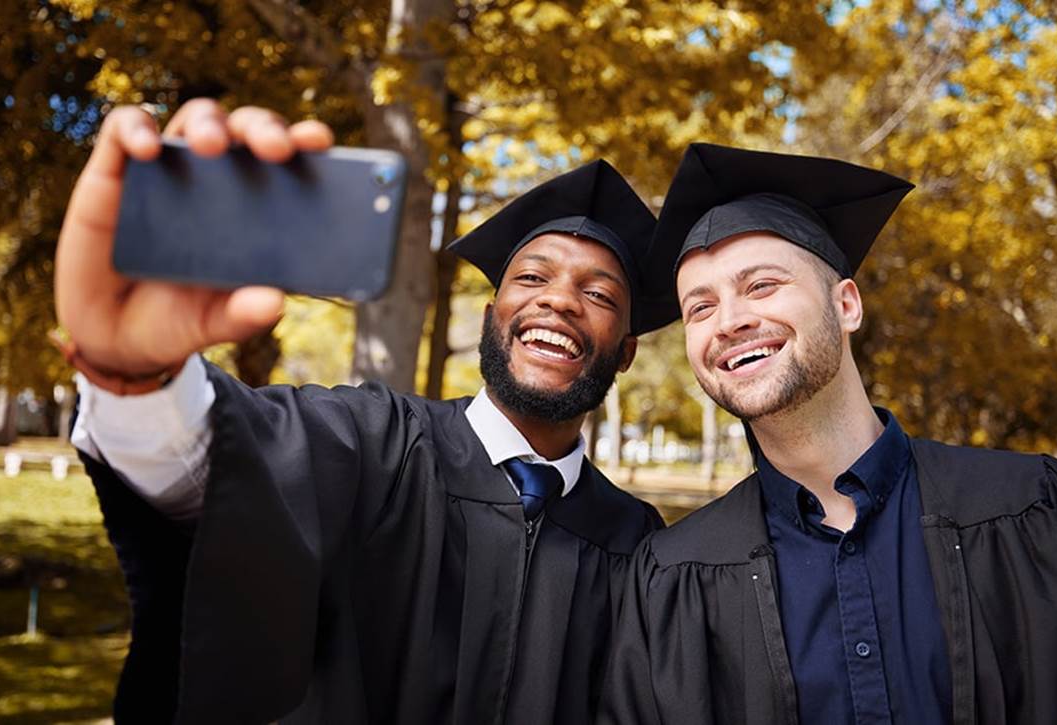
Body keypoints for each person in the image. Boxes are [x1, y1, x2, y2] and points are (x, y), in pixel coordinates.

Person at [55, 99, 667, 724]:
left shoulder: (638, 543)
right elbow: (220, 468)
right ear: (491, 318)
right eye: (532, 278)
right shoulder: (374, 443)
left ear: (625, 351)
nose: (560, 300)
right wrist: (135, 374)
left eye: (597, 294)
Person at [599, 143, 1057, 725]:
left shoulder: (1030, 509)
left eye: (762, 285)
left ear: (846, 305)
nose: (730, 320)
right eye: (700, 307)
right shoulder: (671, 577)